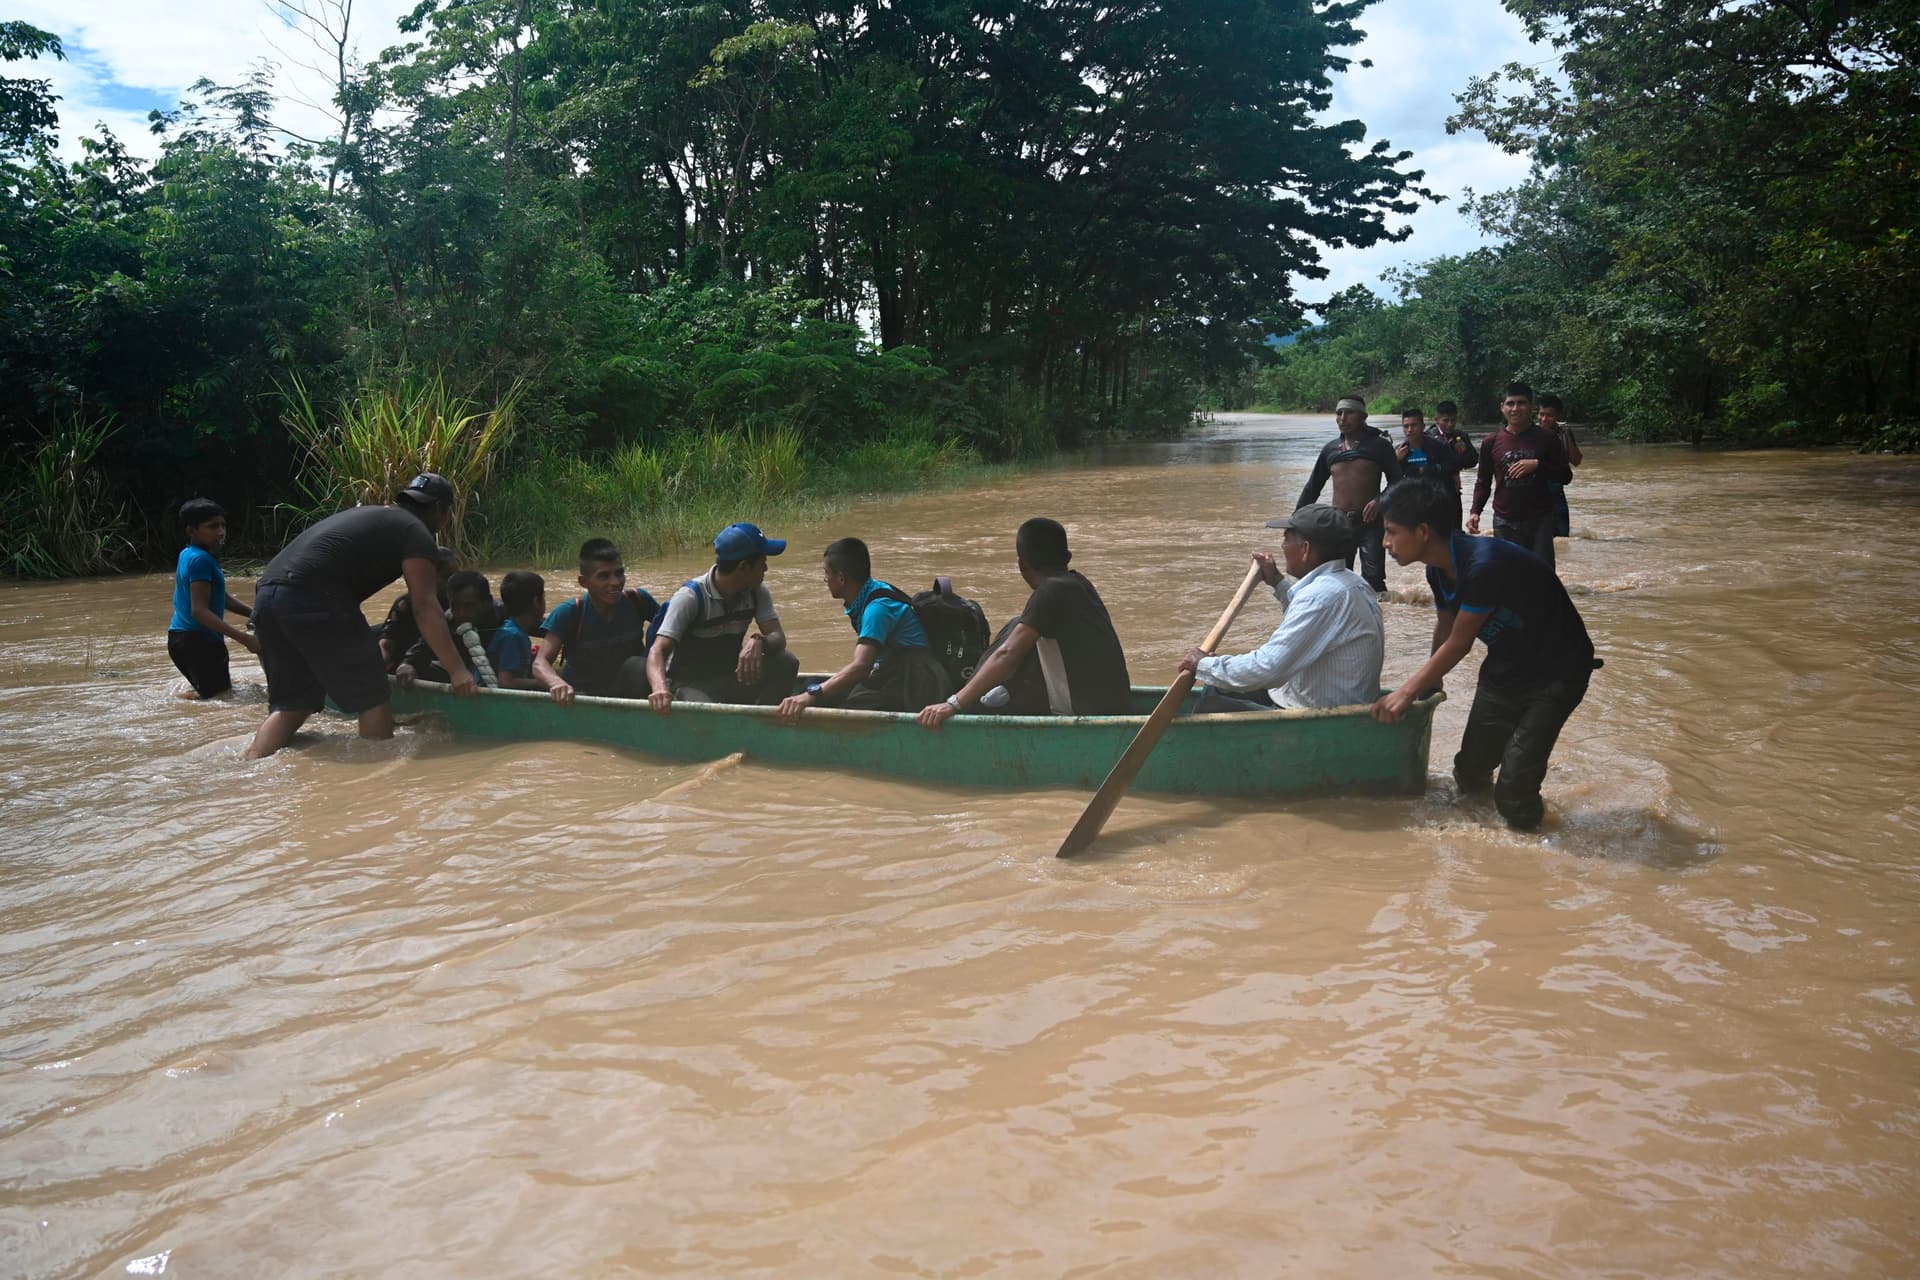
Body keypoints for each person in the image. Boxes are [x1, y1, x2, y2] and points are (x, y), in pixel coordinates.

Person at [1371, 478, 1597, 831]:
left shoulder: (1484, 565)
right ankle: (1479, 837)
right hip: (1507, 665)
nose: (1385, 543)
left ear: (1423, 531)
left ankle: (1538, 852)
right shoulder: (1438, 569)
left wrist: (1406, 691)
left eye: (1391, 532)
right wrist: (1432, 685)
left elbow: (1460, 643)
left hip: (1558, 671)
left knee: (1514, 790)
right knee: (1470, 770)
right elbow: (1445, 628)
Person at [244, 473, 475, 758]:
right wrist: (457, 670)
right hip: (314, 597)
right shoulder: (417, 532)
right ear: (442, 511)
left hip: (267, 596)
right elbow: (425, 606)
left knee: (294, 703)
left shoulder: (375, 515)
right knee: (373, 696)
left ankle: (250, 764)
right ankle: (377, 775)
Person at [917, 518, 1131, 728]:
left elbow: (1007, 654)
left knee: (1014, 637)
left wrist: (954, 704)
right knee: (1017, 625)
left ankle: (970, 708)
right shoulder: (1078, 582)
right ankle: (979, 697)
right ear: (1067, 557)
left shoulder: (1050, 591)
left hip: (1089, 711)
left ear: (1022, 564)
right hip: (1116, 702)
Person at [1179, 504, 1384, 712]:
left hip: (1320, 714)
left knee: (1210, 705)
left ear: (1305, 550)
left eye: (1286, 538)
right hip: (1327, 700)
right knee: (1217, 684)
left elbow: (1269, 667)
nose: (1282, 545)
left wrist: (1204, 664)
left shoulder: (1321, 597)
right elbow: (1312, 625)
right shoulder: (1354, 583)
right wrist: (1277, 582)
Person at [777, 537, 949, 719]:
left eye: (826, 573)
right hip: (894, 670)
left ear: (841, 578)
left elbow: (860, 666)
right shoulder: (872, 591)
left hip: (916, 680)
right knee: (812, 685)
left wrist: (810, 696)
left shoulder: (877, 609)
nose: (824, 579)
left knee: (851, 708)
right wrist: (813, 691)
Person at [647, 523, 800, 711]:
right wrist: (660, 690)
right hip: (687, 685)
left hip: (727, 677)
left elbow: (778, 637)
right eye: (762, 562)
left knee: (786, 662)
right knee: (707, 712)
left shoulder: (756, 592)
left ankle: (764, 724)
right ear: (744, 567)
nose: (766, 568)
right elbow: (657, 650)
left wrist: (758, 640)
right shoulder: (691, 597)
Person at [1296, 394, 1403, 595]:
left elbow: (1398, 482)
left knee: (1373, 581)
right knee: (1337, 579)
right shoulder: (1330, 450)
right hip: (1339, 525)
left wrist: (1380, 500)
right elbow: (1313, 488)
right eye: (1339, 413)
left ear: (1363, 417)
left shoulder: (1379, 446)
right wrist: (1296, 521)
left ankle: (1377, 621)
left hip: (1371, 524)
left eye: (1349, 413)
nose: (1343, 418)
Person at [532, 539, 659, 703]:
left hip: (625, 690)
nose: (615, 582)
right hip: (581, 696)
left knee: (640, 665)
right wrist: (557, 683)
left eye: (619, 573)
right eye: (604, 576)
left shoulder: (639, 600)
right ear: (583, 582)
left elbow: (671, 634)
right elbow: (540, 663)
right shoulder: (570, 611)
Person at [1469, 381, 1574, 569]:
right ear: (1502, 408)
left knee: (1543, 576)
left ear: (1531, 406)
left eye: (1521, 403)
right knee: (1509, 577)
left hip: (1540, 519)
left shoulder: (1547, 438)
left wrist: (1538, 465)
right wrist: (1475, 511)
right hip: (1504, 520)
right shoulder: (1491, 442)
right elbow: (1483, 481)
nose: (1515, 408)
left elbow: (1566, 476)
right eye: (1510, 403)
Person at [167, 498, 256, 698]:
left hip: (180, 639)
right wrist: (246, 640)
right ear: (192, 531)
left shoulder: (188, 554)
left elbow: (222, 598)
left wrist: (253, 613)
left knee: (212, 699)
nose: (221, 532)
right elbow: (199, 611)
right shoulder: (201, 560)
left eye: (223, 525)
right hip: (200, 642)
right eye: (212, 526)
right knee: (223, 702)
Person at [397, 571, 498, 686]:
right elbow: (421, 649)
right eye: (454, 605)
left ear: (488, 602)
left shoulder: (505, 617)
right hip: (463, 674)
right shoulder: (447, 622)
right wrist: (408, 664)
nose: (461, 614)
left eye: (468, 606)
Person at [379, 545, 458, 672]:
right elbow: (387, 644)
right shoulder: (405, 604)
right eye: (446, 576)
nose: (452, 582)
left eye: (455, 576)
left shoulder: (458, 602)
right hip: (406, 667)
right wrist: (378, 668)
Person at [487, 570, 547, 690]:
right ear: (536, 602)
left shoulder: (512, 629)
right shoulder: (513, 636)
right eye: (544, 597)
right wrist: (544, 683)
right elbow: (506, 682)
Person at [1536, 393, 1584, 539]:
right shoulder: (1531, 432)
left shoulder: (1564, 433)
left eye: (1549, 415)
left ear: (1558, 416)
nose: (1544, 419)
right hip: (1534, 489)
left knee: (1562, 536)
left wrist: (1567, 436)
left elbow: (1576, 461)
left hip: (1556, 488)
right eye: (1541, 414)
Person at [1394, 407, 1458, 487]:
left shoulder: (1440, 446)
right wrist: (1396, 460)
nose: (1410, 430)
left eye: (1414, 425)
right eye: (1406, 426)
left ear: (1423, 427)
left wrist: (1432, 469)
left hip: (1436, 492)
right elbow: (1393, 479)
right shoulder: (1398, 451)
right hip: (1411, 493)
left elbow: (1452, 467)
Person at [1434, 400, 1477, 492]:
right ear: (1436, 419)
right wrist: (1455, 466)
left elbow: (1473, 460)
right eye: (1445, 420)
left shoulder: (1461, 436)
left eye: (1453, 420)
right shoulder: (1428, 438)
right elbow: (1428, 466)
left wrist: (1463, 454)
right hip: (1432, 488)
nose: (1450, 424)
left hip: (1453, 489)